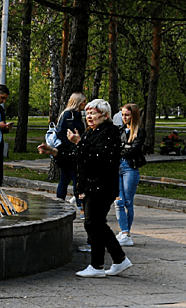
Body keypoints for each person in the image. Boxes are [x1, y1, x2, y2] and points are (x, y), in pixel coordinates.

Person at [38, 99, 132, 278]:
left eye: (93, 113)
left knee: (93, 223)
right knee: (96, 223)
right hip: (90, 185)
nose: (89, 116)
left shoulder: (110, 132)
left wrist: (79, 142)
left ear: (104, 115)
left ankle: (98, 265)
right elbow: (76, 157)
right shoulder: (90, 133)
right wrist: (53, 151)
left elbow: (100, 156)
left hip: (103, 185)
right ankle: (119, 259)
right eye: (87, 113)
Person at [115, 104, 146, 247]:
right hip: (117, 167)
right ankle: (124, 231)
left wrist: (122, 149)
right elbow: (115, 147)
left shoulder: (139, 132)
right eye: (123, 115)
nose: (124, 117)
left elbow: (133, 150)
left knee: (128, 202)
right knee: (118, 201)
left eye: (127, 115)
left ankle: (126, 234)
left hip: (130, 168)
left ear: (134, 115)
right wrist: (123, 149)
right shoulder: (120, 130)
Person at [55, 93, 87, 209]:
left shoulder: (76, 114)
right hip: (69, 152)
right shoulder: (68, 115)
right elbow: (61, 133)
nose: (85, 104)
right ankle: (79, 205)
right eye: (83, 102)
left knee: (66, 178)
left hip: (73, 150)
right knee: (74, 178)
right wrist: (71, 144)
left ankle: (60, 204)